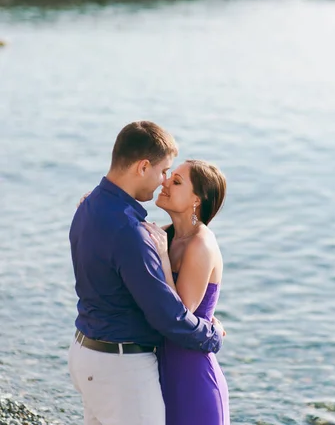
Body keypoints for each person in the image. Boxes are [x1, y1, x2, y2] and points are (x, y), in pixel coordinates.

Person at [68, 121, 224, 425]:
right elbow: (170, 317)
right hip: (121, 369)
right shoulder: (132, 232)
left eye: (174, 179)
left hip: (91, 355)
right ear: (142, 167)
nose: (162, 181)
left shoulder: (91, 207)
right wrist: (213, 335)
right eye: (164, 172)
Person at [145, 159, 230, 425]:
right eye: (169, 175)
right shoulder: (165, 235)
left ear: (197, 200)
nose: (165, 182)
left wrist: (162, 256)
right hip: (159, 372)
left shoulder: (201, 244)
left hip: (194, 380)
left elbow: (179, 312)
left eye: (177, 181)